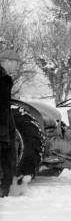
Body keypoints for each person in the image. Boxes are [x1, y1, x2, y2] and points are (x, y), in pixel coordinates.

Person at [0, 50, 19, 198]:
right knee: (5, 159)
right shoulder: (2, 79)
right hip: (2, 127)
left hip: (6, 124)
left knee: (8, 158)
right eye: (15, 62)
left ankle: (5, 188)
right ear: (6, 61)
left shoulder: (5, 78)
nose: (17, 66)